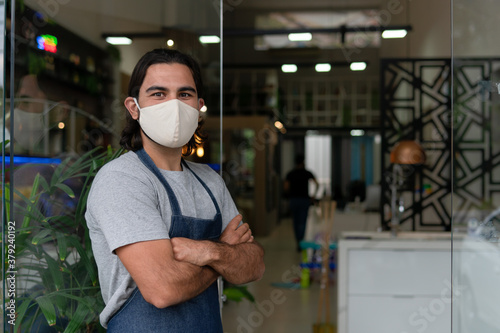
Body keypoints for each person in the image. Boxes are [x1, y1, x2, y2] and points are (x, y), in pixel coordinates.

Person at [85, 49, 265, 332]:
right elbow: (162, 290)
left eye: (184, 94)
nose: (173, 104)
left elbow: (254, 264)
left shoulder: (210, 181)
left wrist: (205, 250)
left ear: (198, 106)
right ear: (134, 108)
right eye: (158, 94)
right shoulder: (122, 179)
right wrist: (225, 251)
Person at [284, 154, 319, 252]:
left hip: (294, 200)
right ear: (303, 161)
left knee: (295, 222)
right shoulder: (307, 173)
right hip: (304, 200)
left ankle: (298, 241)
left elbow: (286, 187)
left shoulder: (291, 173)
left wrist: (290, 194)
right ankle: (301, 241)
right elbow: (317, 184)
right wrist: (313, 195)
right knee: (302, 222)